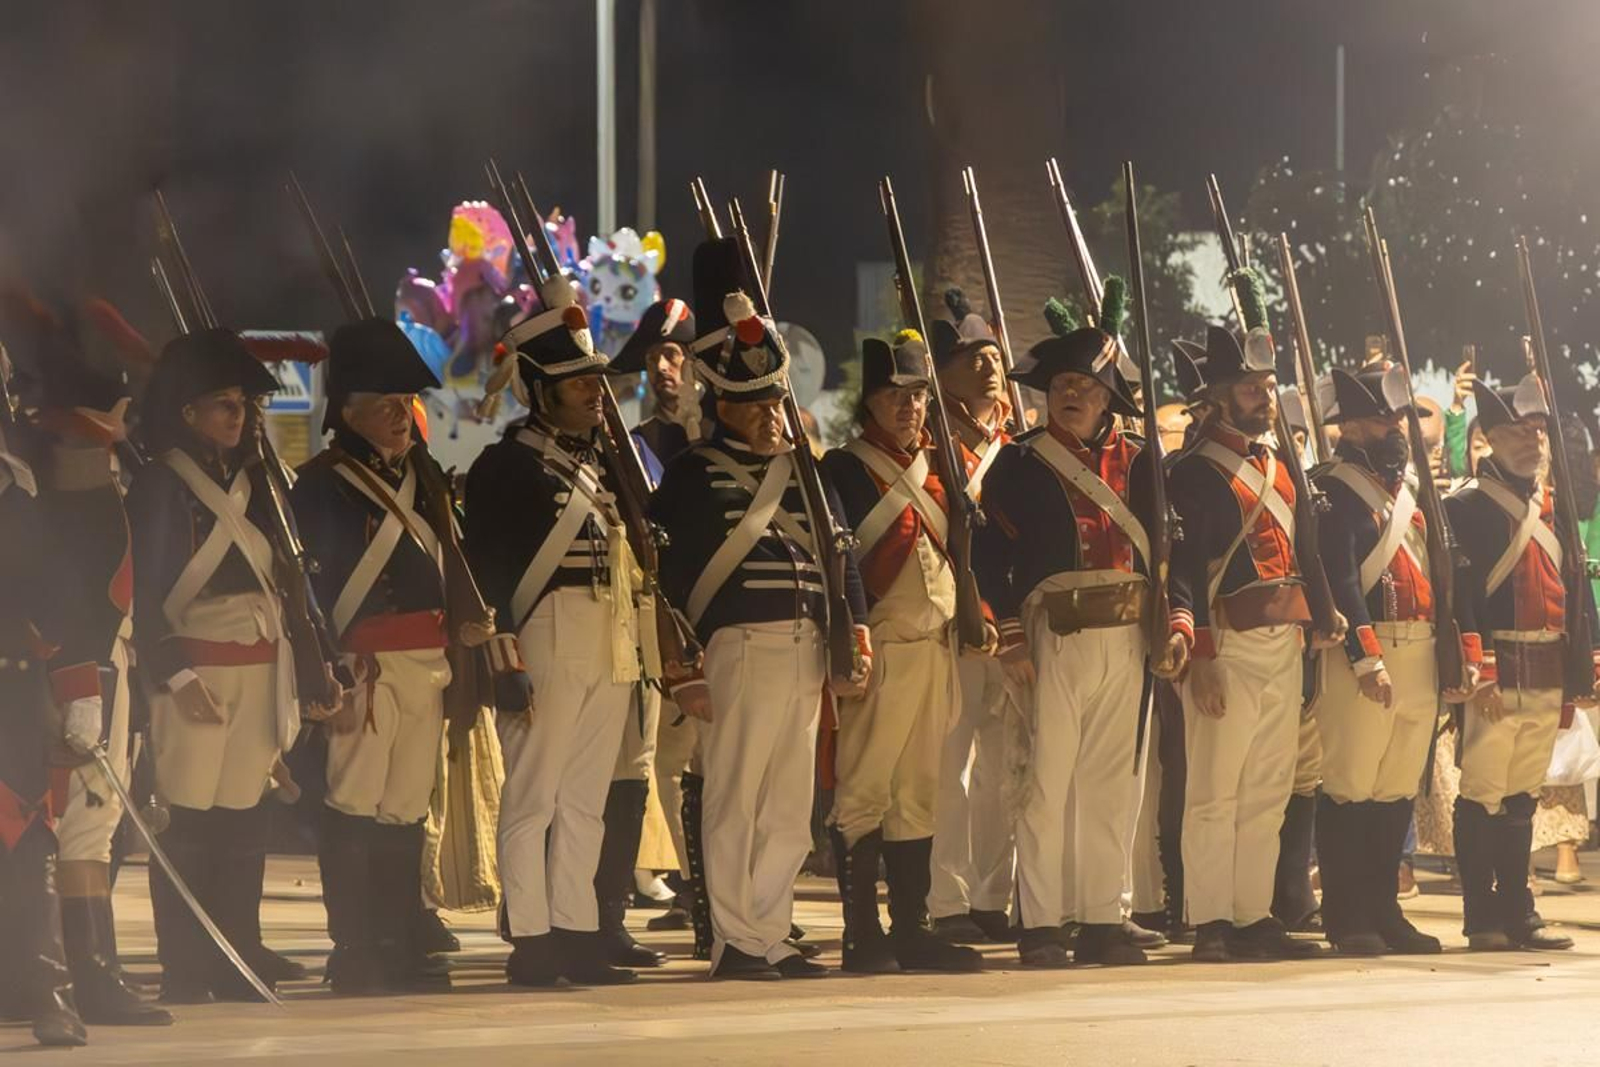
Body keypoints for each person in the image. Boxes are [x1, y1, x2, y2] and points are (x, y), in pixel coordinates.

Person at [649, 237, 867, 979]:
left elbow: (842, 556)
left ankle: (772, 930)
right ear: (724, 406)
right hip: (738, 643)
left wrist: (855, 632)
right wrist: (680, 665)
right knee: (736, 794)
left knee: (787, 801)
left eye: (775, 401)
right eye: (754, 404)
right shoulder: (689, 476)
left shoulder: (804, 471)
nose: (771, 415)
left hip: (807, 644)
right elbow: (666, 576)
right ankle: (736, 939)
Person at [975, 294, 1186, 968]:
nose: (1070, 395)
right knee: (1046, 781)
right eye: (1062, 385)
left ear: (1107, 399)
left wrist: (1176, 619)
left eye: (1085, 387)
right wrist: (1008, 633)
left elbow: (1166, 550)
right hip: (1053, 637)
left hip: (1128, 637)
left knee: (1111, 784)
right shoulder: (1020, 462)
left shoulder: (1143, 460)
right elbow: (988, 556)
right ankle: (1040, 923)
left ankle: (1103, 915)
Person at [127, 328, 338, 1002]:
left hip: (260, 667)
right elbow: (145, 589)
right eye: (222, 402)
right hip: (195, 669)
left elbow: (287, 584)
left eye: (243, 402)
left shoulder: (258, 482)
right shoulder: (162, 481)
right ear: (186, 411)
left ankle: (238, 951)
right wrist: (177, 675)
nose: (237, 414)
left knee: (246, 819)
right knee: (186, 820)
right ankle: (187, 964)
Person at [464, 271, 643, 988]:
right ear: (541, 390)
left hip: (607, 630)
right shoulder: (504, 466)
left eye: (596, 383)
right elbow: (491, 575)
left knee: (586, 798)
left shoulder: (600, 461)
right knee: (533, 792)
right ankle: (532, 938)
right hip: (545, 628)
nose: (596, 394)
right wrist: (505, 659)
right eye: (579, 384)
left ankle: (576, 930)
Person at [289, 317, 475, 993]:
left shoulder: (422, 479)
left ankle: (398, 939)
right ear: (349, 412)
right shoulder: (320, 484)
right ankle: (356, 947)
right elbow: (309, 584)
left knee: (405, 807)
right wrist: (329, 666)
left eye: (408, 405)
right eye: (388, 406)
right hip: (363, 663)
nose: (404, 416)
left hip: (426, 659)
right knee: (354, 803)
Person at [1167, 323, 1342, 962]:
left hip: (1283, 642)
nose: (1263, 396)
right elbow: (1183, 571)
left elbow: (1303, 554)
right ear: (1217, 395)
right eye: (1249, 386)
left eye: (1268, 385)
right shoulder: (1192, 471)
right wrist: (1203, 657)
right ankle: (1211, 919)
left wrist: (1322, 616)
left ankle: (1251, 914)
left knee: (1267, 788)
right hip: (1230, 642)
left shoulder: (1278, 463)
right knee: (1215, 788)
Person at [820, 330, 982, 974]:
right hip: (881, 645)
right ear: (869, 404)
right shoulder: (844, 468)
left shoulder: (944, 466)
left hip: (935, 647)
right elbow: (841, 561)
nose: (907, 406)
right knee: (863, 789)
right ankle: (862, 933)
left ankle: (912, 928)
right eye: (893, 395)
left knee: (918, 791)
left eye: (916, 395)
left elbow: (964, 554)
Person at [1309, 366, 1477, 956]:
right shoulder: (1330, 488)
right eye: (1383, 417)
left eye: (1398, 416)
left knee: (1395, 788)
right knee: (1352, 785)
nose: (1395, 426)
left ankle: (1384, 911)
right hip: (1369, 649)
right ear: (1350, 425)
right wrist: (1363, 656)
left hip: (1420, 649)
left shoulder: (1408, 489)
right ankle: (1347, 915)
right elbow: (1341, 579)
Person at [1444, 375, 1597, 951]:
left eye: (1537, 429)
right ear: (1488, 437)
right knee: (1483, 789)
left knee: (1521, 794)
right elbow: (1463, 598)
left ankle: (1518, 907)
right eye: (1519, 430)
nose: (1532, 440)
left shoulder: (1557, 507)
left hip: (1547, 668)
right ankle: (1480, 912)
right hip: (1497, 667)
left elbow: (1575, 589)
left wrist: (1585, 667)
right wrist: (1476, 669)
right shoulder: (1465, 506)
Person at [0, 400, 90, 1046]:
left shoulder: (19, 492)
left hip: (11, 690)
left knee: (29, 844)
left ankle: (49, 992)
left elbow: (64, 603)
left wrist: (79, 690)